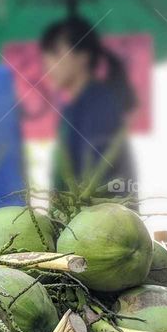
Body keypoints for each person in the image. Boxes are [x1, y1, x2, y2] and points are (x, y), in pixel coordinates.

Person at [40, 16, 138, 198]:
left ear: (83, 56)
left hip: (103, 222)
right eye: (46, 54)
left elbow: (100, 183)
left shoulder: (100, 106)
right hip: (74, 221)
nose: (47, 63)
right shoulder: (70, 111)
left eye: (55, 53)